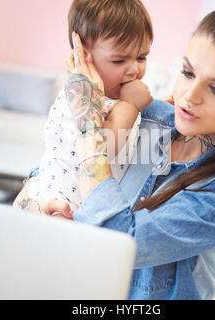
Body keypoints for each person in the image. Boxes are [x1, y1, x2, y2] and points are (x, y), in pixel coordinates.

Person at [14, 8, 215, 299]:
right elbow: (51, 169)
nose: (190, 95)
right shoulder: (151, 117)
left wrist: (85, 112)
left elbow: (121, 242)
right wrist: (40, 207)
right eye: (187, 72)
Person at [22, 0, 154, 212]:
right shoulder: (77, 99)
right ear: (83, 56)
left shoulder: (119, 97)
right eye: (119, 61)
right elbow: (103, 151)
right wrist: (131, 104)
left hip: (90, 211)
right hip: (56, 207)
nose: (134, 70)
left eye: (142, 57)